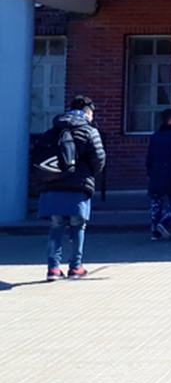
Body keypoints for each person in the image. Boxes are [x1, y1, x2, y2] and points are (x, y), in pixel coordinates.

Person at [37, 95, 106, 280]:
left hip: (52, 184)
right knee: (78, 225)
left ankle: (53, 269)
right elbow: (99, 159)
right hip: (78, 186)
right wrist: (90, 176)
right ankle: (75, 267)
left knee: (56, 226)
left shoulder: (52, 131)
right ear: (87, 113)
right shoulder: (89, 131)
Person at [145, 107, 171, 240]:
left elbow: (149, 157)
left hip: (156, 171)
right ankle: (163, 223)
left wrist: (151, 170)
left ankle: (154, 229)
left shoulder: (156, 136)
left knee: (156, 202)